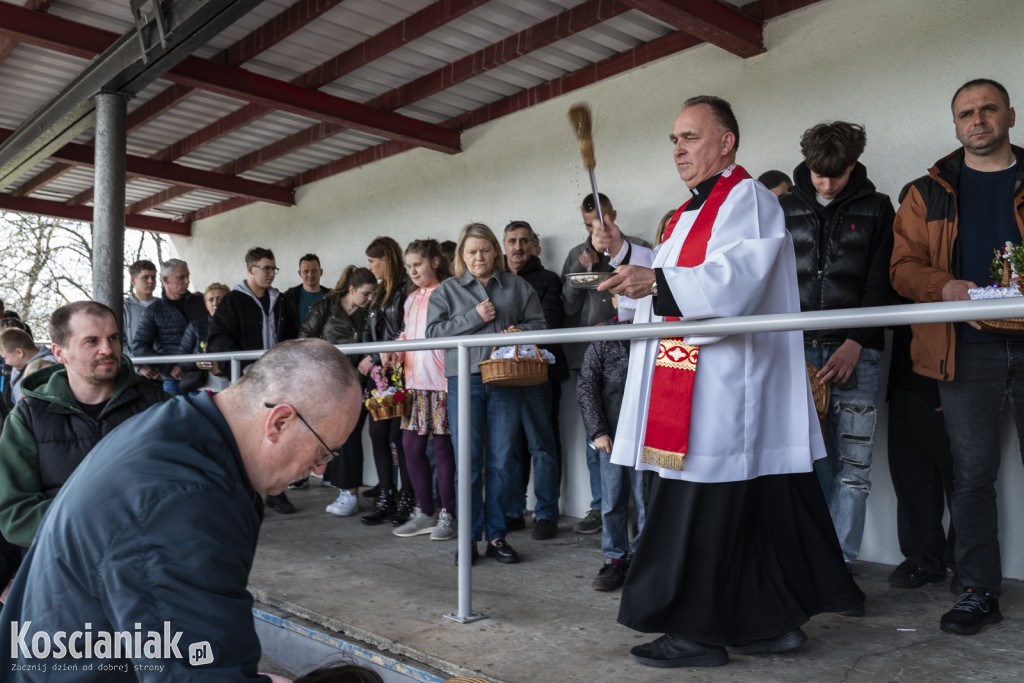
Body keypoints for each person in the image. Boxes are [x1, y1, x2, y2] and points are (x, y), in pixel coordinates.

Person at [601, 95, 862, 667]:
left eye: (690, 137)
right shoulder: (686, 214)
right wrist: (628, 269)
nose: (678, 149)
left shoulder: (747, 197)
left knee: (701, 511)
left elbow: (734, 279)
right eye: (674, 140)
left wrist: (656, 283)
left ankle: (696, 633)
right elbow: (668, 281)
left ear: (727, 143)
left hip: (724, 388)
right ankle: (769, 625)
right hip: (694, 379)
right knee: (744, 511)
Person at [0, 339, 362, 679]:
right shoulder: (186, 503)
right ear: (279, 422)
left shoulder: (182, 426)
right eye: (323, 451)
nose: (320, 469)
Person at [890, 78, 1024, 636]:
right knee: (971, 477)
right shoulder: (927, 192)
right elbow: (902, 268)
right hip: (963, 353)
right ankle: (977, 591)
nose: (978, 120)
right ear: (955, 124)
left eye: (989, 109)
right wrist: (943, 287)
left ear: (1010, 115)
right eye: (967, 113)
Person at [779, 121, 895, 570]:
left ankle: (839, 570)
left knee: (854, 468)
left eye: (838, 176)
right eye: (818, 175)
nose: (827, 185)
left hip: (858, 355)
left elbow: (882, 281)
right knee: (807, 463)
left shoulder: (879, 207)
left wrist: (856, 341)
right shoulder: (782, 208)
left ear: (854, 164)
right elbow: (772, 284)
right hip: (794, 354)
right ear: (807, 165)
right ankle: (813, 565)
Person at [426, 223, 547, 564]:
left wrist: (518, 331)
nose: (478, 256)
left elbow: (540, 324)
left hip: (506, 380)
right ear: (461, 256)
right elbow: (432, 334)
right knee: (467, 461)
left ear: (496, 251)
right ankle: (467, 539)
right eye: (471, 251)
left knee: (502, 460)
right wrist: (473, 317)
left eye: (484, 249)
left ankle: (496, 536)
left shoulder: (517, 286)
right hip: (464, 380)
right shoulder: (448, 291)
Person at [0, 301, 166, 548]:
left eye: (113, 338)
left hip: (149, 554)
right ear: (59, 353)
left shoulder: (159, 405)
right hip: (65, 560)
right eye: (92, 341)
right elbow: (16, 515)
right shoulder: (27, 419)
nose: (107, 349)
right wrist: (102, 520)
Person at [561, 193, 654, 536]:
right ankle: (600, 506)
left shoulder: (639, 249)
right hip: (592, 353)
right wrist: (583, 267)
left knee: (640, 439)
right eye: (588, 225)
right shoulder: (577, 254)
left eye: (599, 222)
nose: (595, 231)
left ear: (613, 215)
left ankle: (642, 521)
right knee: (598, 436)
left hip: (634, 351)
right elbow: (567, 305)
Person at [209, 246, 301, 514]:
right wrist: (243, 366)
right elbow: (219, 339)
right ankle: (246, 493)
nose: (271, 273)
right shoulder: (233, 301)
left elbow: (292, 335)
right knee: (246, 438)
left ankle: (276, 490)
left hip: (277, 378)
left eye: (274, 269)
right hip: (246, 380)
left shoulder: (280, 300)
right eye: (266, 268)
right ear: (250, 269)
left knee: (278, 434)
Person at [382, 240, 457, 540]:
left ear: (435, 262)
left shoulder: (449, 291)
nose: (412, 271)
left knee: (442, 450)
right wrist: (395, 350)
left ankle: (449, 513)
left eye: (418, 264)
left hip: (442, 384)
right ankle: (425, 512)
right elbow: (407, 335)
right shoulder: (411, 298)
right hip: (414, 384)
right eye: (409, 266)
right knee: (410, 447)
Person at [576, 293, 645, 591]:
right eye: (623, 297)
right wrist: (598, 431)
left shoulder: (658, 334)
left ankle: (644, 558)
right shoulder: (604, 339)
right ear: (614, 302)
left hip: (647, 434)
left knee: (645, 500)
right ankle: (614, 558)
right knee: (613, 499)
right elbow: (587, 387)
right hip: (612, 436)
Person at [501, 220, 563, 540]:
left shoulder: (548, 279)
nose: (518, 247)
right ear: (504, 246)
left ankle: (547, 514)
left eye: (524, 241)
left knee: (542, 444)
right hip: (502, 373)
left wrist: (515, 331)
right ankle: (514, 511)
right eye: (512, 241)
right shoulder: (494, 281)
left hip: (539, 373)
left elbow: (550, 323)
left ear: (533, 246)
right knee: (510, 446)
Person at [299, 266, 378, 513]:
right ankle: (344, 489)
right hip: (331, 383)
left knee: (350, 435)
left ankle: (350, 493)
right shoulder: (325, 307)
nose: (369, 299)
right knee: (340, 436)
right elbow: (304, 339)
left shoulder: (370, 312)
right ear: (351, 289)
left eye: (372, 294)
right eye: (365, 293)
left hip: (361, 382)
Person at [357, 237, 413, 526]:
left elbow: (405, 330)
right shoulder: (379, 292)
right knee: (377, 434)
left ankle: (408, 498)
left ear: (386, 259)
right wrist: (369, 357)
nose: (370, 267)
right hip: (379, 375)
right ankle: (386, 497)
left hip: (400, 371)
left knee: (398, 438)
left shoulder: (406, 288)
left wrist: (377, 356)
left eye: (372, 260)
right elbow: (369, 330)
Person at [133, 258, 208, 395]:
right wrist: (167, 367)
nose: (187, 281)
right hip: (174, 380)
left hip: (206, 377)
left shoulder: (202, 303)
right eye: (181, 277)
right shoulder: (153, 311)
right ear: (166, 280)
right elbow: (139, 346)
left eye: (188, 276)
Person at [178, 283, 231, 392]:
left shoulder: (238, 325)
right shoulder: (195, 326)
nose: (215, 303)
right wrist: (195, 363)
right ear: (206, 304)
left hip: (233, 384)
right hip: (203, 387)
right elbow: (181, 357)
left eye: (220, 299)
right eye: (211, 300)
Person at [0, 328, 56, 403]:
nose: (6, 363)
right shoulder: (17, 366)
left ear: (19, 352)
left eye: (5, 358)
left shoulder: (48, 367)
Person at [123, 259, 158, 357]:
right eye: (145, 277)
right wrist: (137, 363)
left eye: (153, 277)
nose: (150, 281)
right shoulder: (124, 307)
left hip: (163, 363)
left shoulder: (164, 305)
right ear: (133, 281)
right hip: (135, 363)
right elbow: (120, 340)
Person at [284, 253, 327, 324]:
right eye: (306, 271)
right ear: (300, 273)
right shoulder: (289, 297)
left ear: (321, 272)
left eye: (314, 270)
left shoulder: (332, 296)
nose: (310, 275)